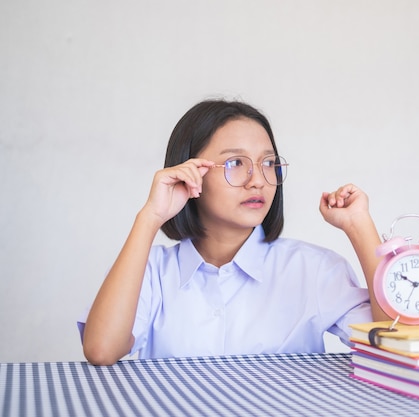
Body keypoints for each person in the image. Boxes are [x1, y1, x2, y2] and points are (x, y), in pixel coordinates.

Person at [79, 99, 390, 365]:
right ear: (191, 172)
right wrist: (151, 216)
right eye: (236, 162)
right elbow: (102, 350)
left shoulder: (315, 270)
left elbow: (395, 346)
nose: (257, 180)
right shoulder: (150, 272)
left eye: (269, 163)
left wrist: (359, 227)